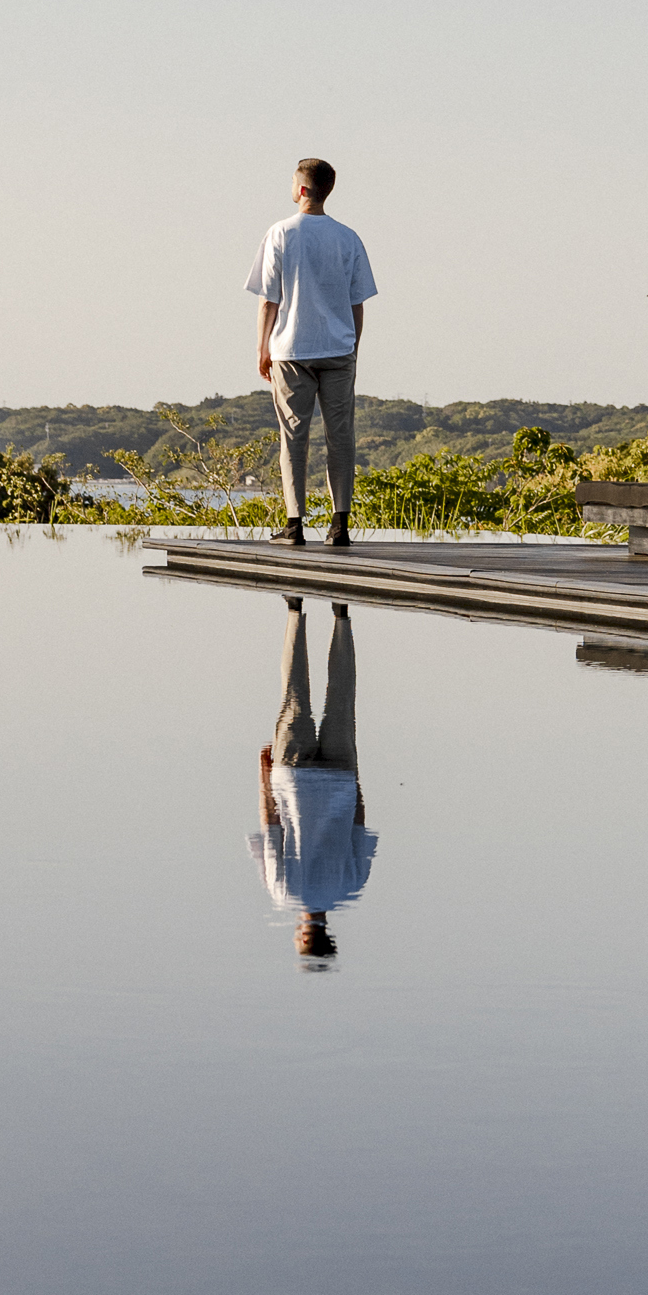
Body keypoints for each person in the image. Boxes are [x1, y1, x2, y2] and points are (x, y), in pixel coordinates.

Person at [245, 155, 378, 548]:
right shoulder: (348, 237)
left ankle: (294, 523)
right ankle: (339, 525)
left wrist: (261, 348)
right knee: (341, 437)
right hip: (338, 349)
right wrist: (352, 345)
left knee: (294, 437)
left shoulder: (281, 233)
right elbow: (358, 302)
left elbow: (268, 300)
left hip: (291, 348)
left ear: (302, 189)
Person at [252, 597, 377, 963]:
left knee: (342, 698)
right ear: (304, 939)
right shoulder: (284, 894)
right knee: (293, 695)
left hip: (340, 778)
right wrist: (264, 776)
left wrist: (354, 779)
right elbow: (271, 826)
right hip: (292, 778)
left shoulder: (351, 888)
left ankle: (341, 617)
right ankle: (294, 610)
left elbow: (359, 824)